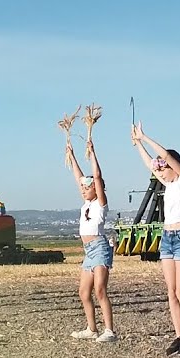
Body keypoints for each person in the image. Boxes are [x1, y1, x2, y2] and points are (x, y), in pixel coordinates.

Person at [131, 121, 180, 355]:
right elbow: (151, 164)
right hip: (167, 237)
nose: (159, 171)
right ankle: (178, 335)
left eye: (163, 167)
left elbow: (165, 157)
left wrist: (145, 136)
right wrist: (138, 144)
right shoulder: (168, 185)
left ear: (173, 166)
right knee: (171, 291)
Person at [64, 136, 117, 342]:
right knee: (84, 292)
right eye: (83, 188)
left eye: (88, 187)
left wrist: (92, 153)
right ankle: (91, 329)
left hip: (100, 248)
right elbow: (79, 177)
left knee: (100, 290)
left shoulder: (100, 204)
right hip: (88, 252)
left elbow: (96, 175)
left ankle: (110, 331)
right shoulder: (85, 204)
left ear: (97, 188)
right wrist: (73, 155)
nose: (84, 190)